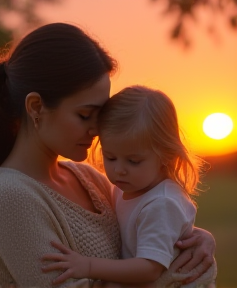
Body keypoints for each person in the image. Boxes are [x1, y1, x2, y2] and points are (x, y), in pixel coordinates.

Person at [0, 22, 216, 288]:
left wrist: (195, 240)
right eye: (85, 115)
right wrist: (175, 275)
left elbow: (146, 231)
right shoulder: (9, 196)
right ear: (35, 107)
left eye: (102, 116)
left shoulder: (90, 178)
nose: (97, 129)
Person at [42, 85, 217, 287]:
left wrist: (88, 266)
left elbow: (149, 269)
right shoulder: (127, 187)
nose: (119, 170)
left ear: (165, 156)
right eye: (111, 157)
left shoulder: (161, 204)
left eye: (133, 161)